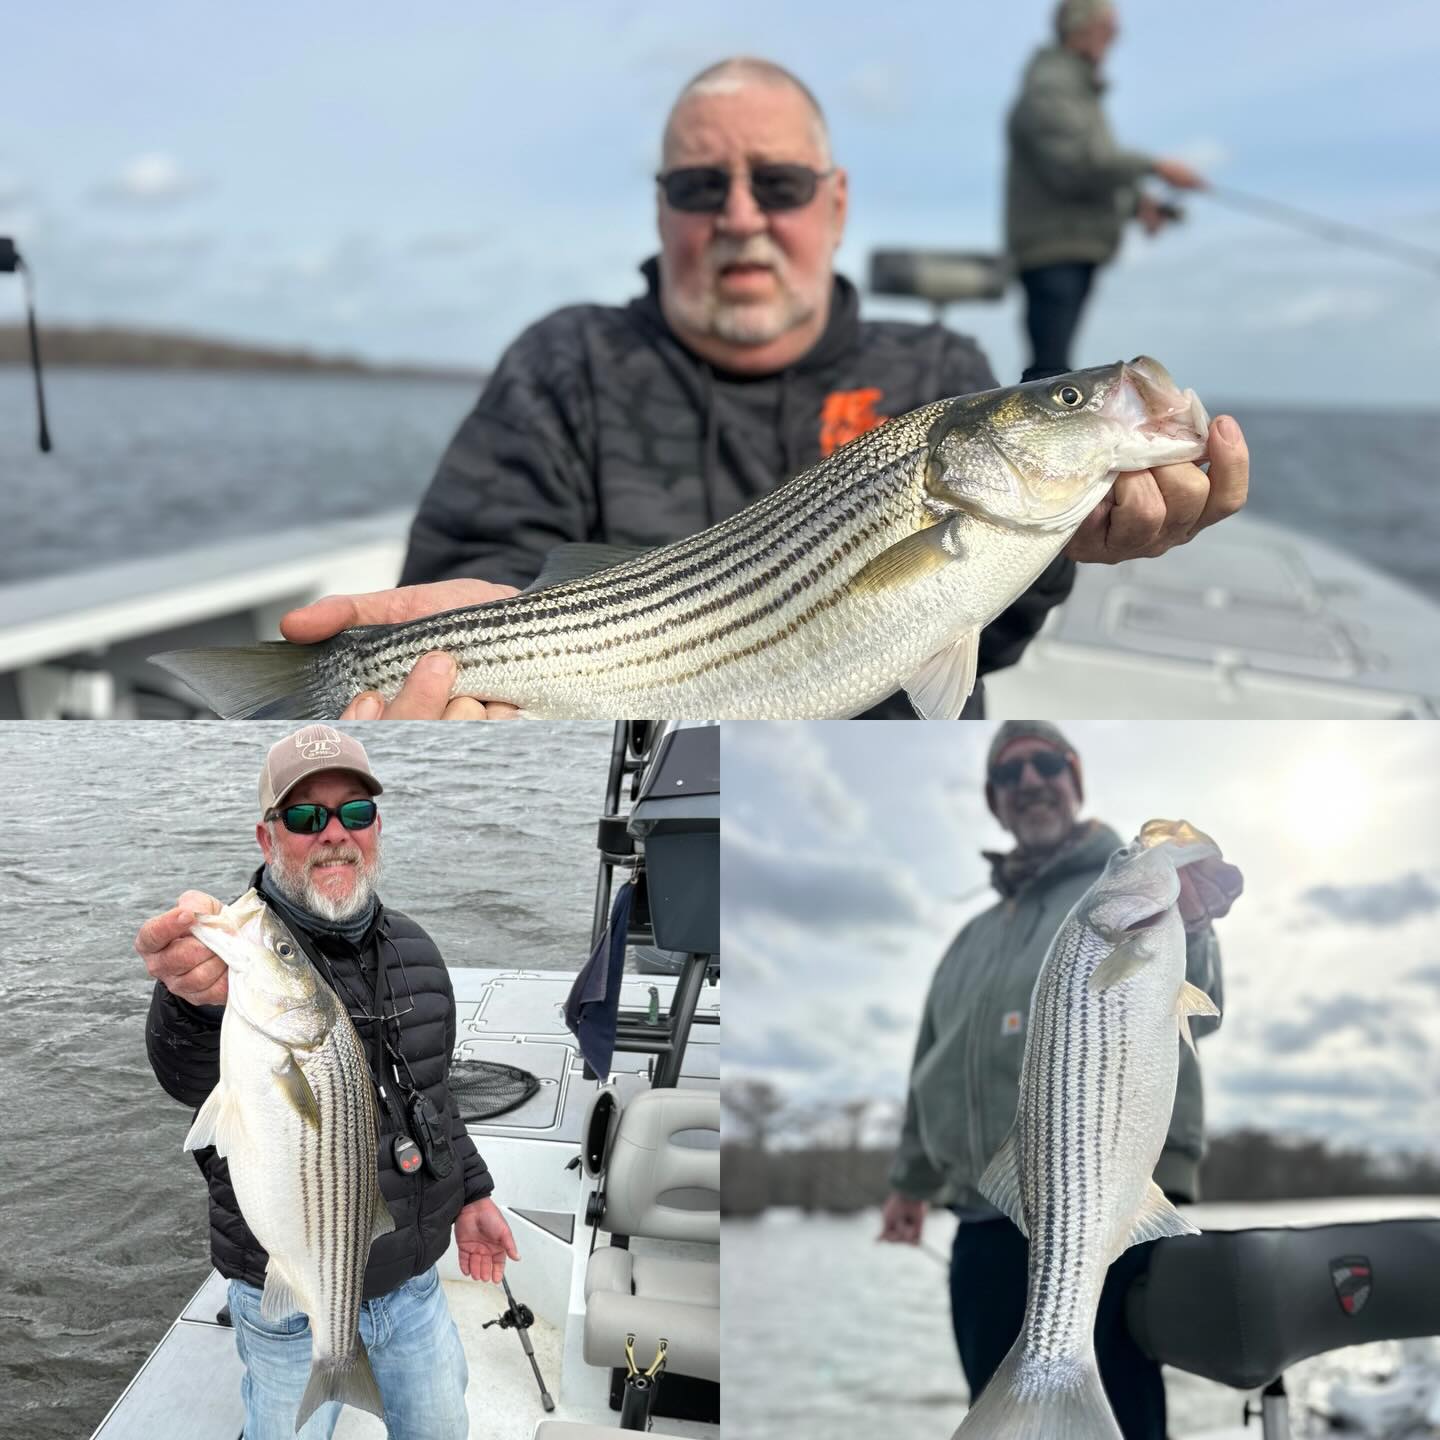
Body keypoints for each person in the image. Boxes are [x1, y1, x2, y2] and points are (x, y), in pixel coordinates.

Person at [278, 56, 1248, 720]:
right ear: (662, 210)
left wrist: (1071, 542)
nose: (741, 217)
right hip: (636, 762)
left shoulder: (937, 379)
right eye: (702, 188)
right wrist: (471, 656)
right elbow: (493, 558)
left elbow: (969, 643)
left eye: (779, 184)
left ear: (836, 203)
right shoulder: (567, 361)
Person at [137, 725, 519, 1439]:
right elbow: (187, 1077)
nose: (334, 835)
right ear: (268, 837)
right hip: (281, 1287)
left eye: (356, 813)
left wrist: (473, 1192)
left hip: (413, 1281)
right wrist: (190, 1004)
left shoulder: (417, 951)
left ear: (376, 828)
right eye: (307, 817)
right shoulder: (235, 967)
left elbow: (434, 1094)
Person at [878, 720, 1243, 1440]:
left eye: (1047, 764)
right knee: (1006, 1407)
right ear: (995, 800)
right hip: (982, 1218)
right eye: (1010, 775)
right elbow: (931, 1063)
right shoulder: (969, 939)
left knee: (1124, 1413)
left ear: (1074, 780)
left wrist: (1194, 926)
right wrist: (908, 1181)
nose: (1031, 782)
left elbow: (1197, 1013)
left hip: (1110, 1208)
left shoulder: (1135, 905)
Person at [1007, 0, 1208, 380]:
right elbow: (1075, 166)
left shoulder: (1074, 89)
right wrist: (1156, 167)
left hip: (1070, 245)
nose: (1115, 37)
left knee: (1054, 368)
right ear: (1082, 29)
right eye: (1109, 28)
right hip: (1054, 248)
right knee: (1050, 371)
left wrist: (1137, 204)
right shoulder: (1052, 86)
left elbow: (1087, 169)